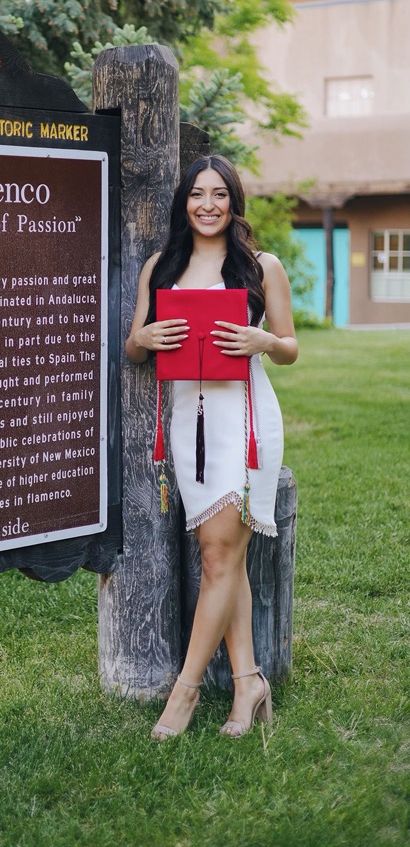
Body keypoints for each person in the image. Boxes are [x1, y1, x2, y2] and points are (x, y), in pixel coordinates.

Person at [125, 154, 298, 739]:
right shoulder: (163, 265)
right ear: (184, 202)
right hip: (186, 423)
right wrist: (144, 337)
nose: (207, 204)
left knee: (220, 555)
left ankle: (185, 692)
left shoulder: (259, 266)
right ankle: (249, 684)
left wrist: (263, 339)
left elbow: (291, 347)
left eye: (219, 194)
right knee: (223, 555)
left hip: (245, 423)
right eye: (197, 194)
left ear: (233, 201)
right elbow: (133, 348)